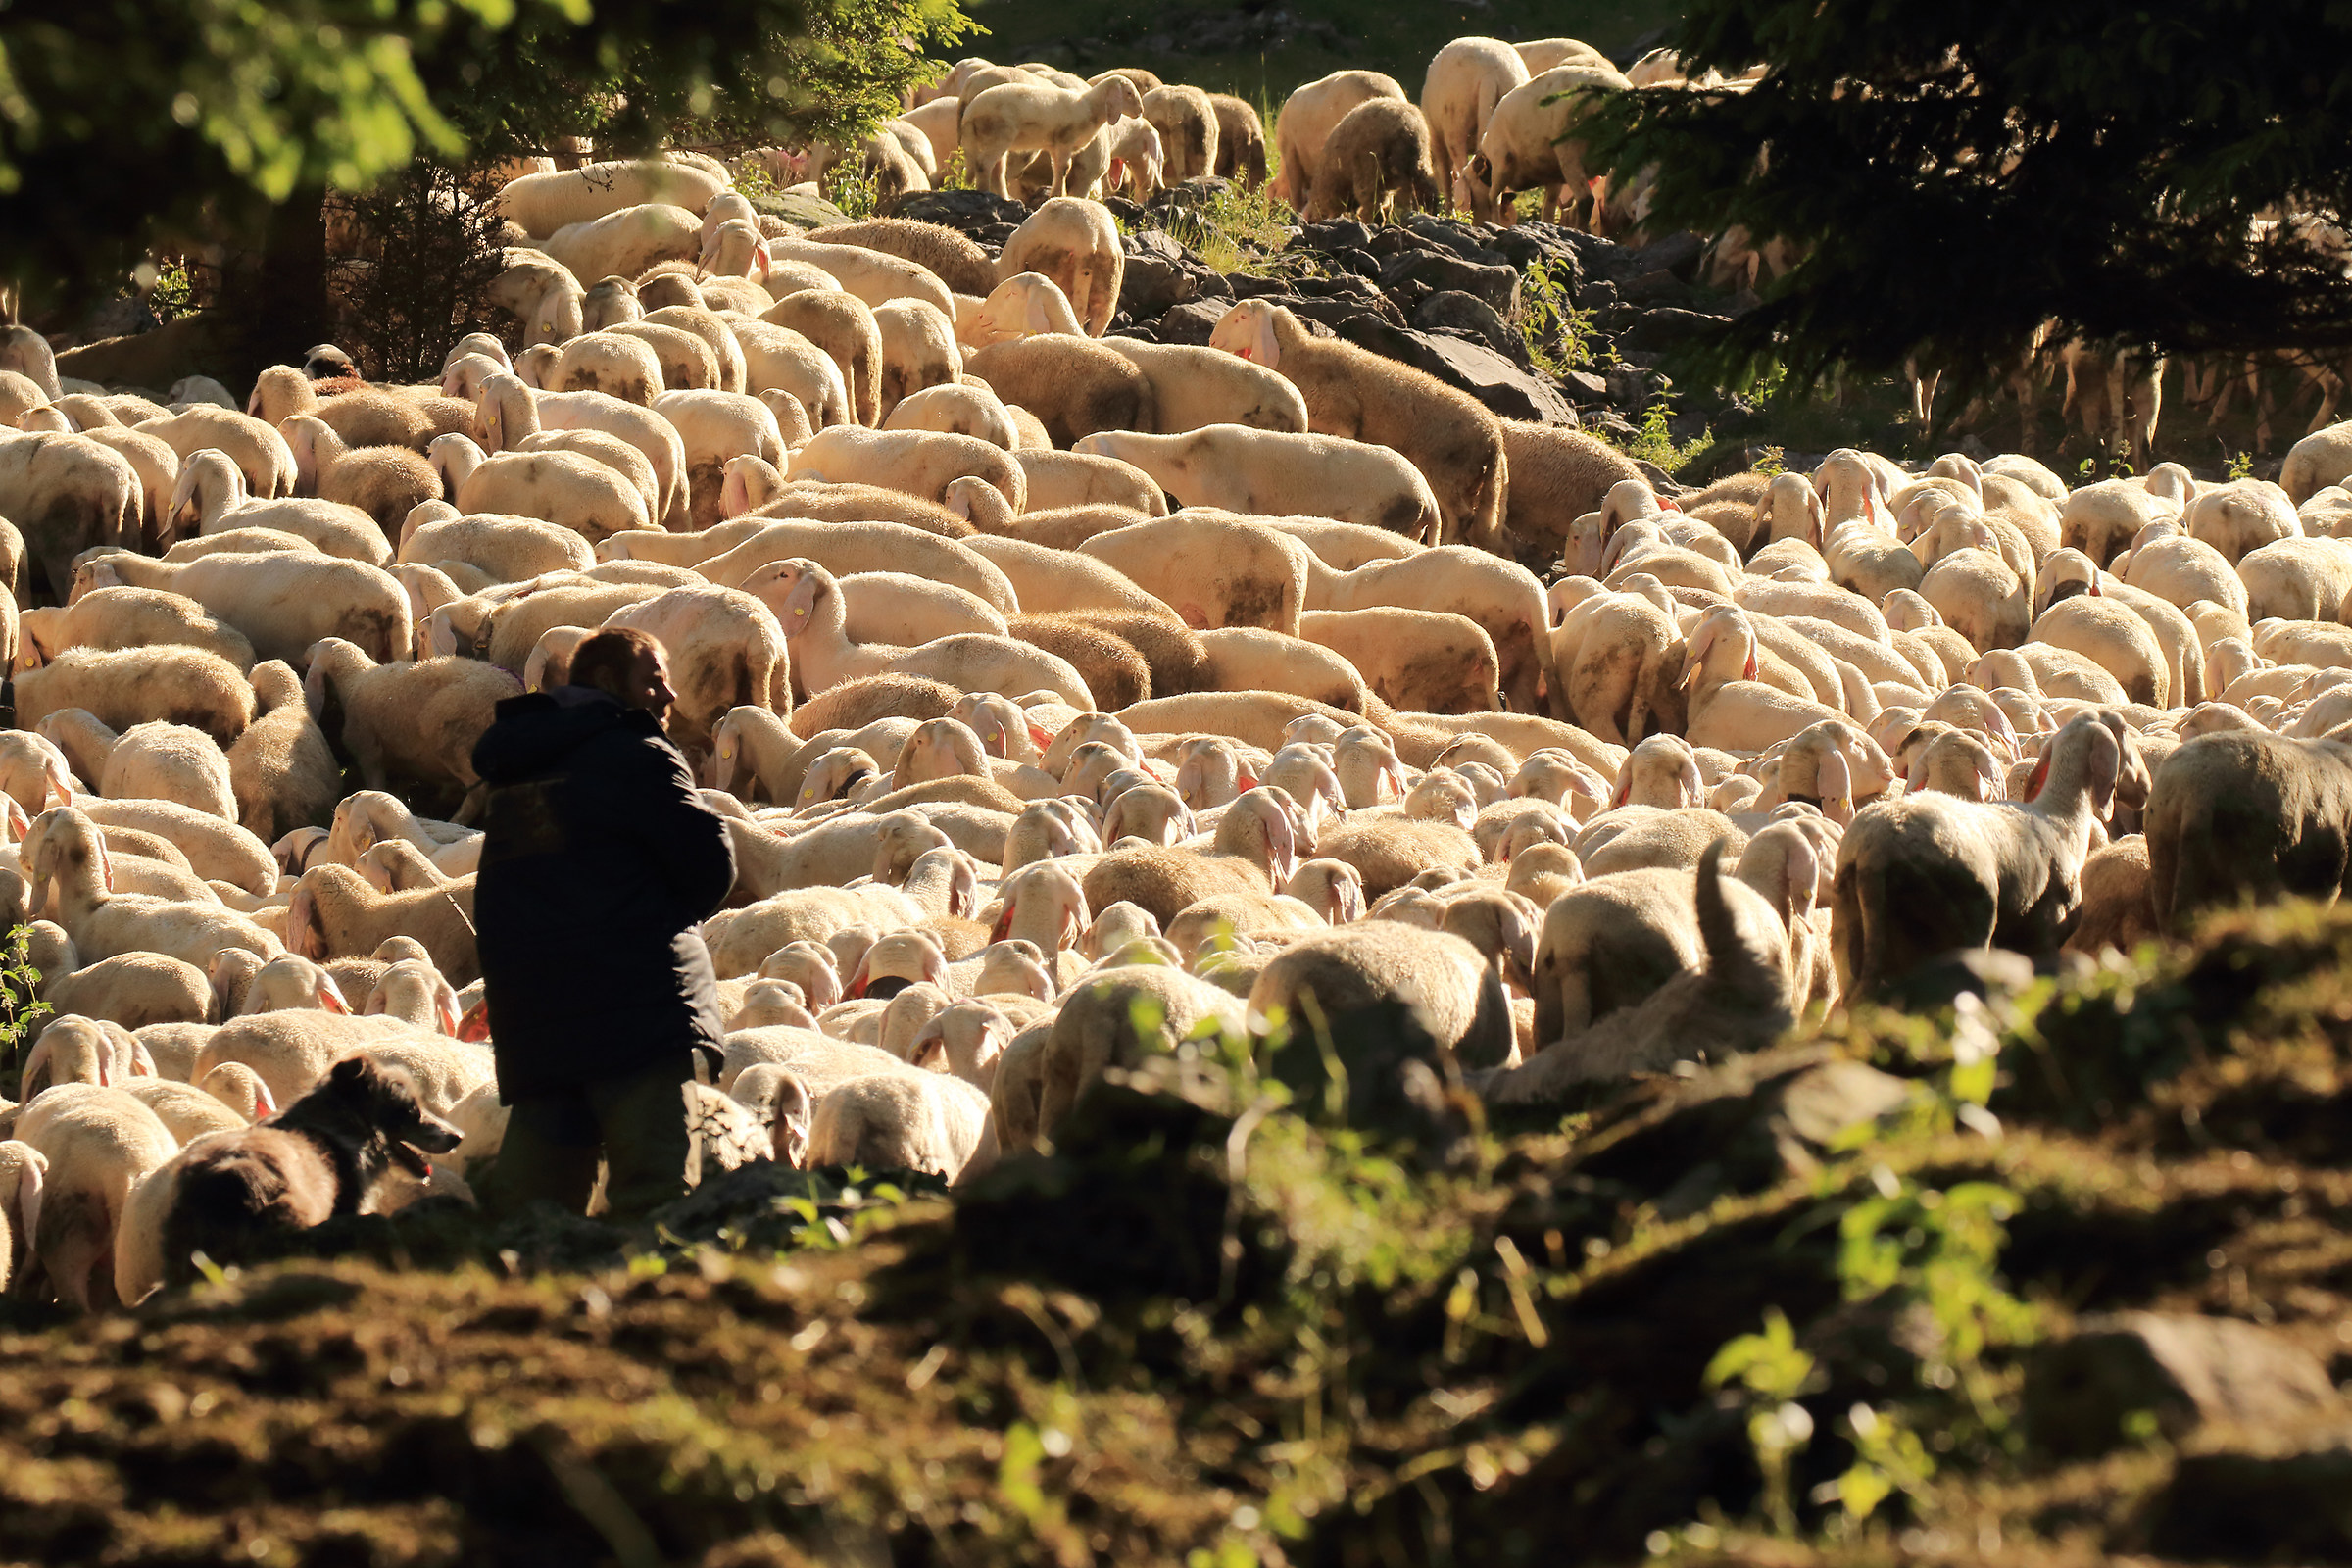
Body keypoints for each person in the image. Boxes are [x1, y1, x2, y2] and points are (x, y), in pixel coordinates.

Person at [467, 626, 737, 1219]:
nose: (668, 697)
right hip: (638, 1017)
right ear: (613, 683)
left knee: (534, 1210)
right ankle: (648, 1307)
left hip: (539, 1023)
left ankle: (522, 1303)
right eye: (654, 680)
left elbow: (502, 893)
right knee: (658, 1197)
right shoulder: (637, 751)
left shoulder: (516, 772)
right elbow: (707, 868)